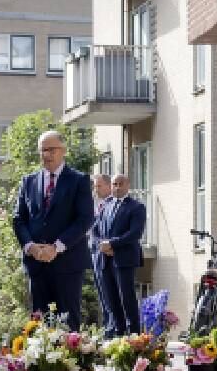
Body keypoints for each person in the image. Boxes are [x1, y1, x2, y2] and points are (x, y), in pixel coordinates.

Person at [12, 130, 95, 331]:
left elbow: (85, 219)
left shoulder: (78, 180)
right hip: (37, 264)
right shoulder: (29, 181)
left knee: (67, 325)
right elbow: (19, 218)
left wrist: (56, 247)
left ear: (63, 150)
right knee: (39, 325)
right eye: (43, 150)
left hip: (67, 264)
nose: (46, 154)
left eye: (51, 150)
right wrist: (30, 247)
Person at [95, 174, 146, 336]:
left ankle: (134, 334)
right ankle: (119, 332)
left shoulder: (137, 207)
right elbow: (95, 230)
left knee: (127, 297)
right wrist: (102, 245)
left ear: (128, 185)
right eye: (114, 184)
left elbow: (135, 233)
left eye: (120, 184)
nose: (117, 187)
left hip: (124, 259)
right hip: (105, 259)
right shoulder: (106, 205)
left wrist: (112, 244)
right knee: (111, 298)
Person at [89, 174, 114, 333]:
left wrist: (107, 245)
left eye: (99, 186)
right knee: (102, 298)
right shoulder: (98, 205)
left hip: (107, 257)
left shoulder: (113, 205)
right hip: (96, 255)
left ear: (109, 186)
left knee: (110, 297)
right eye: (94, 186)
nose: (95, 190)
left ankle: (112, 330)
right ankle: (107, 329)